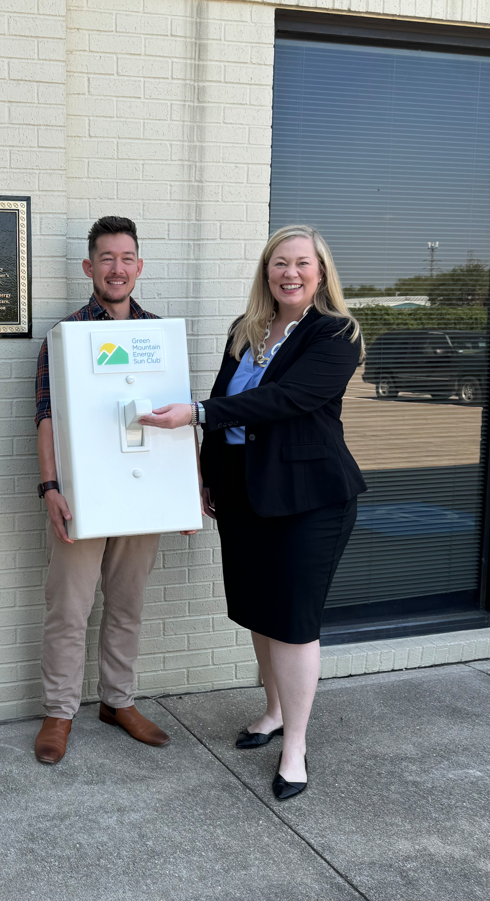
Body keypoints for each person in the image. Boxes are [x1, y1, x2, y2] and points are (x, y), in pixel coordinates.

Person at [141, 224, 365, 800]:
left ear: (321, 272)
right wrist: (207, 479)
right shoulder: (247, 331)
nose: (290, 273)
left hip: (308, 499)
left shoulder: (336, 333)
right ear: (266, 272)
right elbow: (224, 403)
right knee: (258, 613)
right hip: (243, 495)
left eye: (302, 263)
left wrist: (195, 413)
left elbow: (286, 400)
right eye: (278, 263)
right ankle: (272, 712)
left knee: (292, 622)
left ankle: (296, 747)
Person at [32, 215, 193, 765]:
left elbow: (176, 420)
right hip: (82, 498)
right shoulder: (68, 336)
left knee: (127, 606)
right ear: (89, 267)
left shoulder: (158, 338)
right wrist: (50, 487)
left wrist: (184, 495)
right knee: (69, 610)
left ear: (139, 266)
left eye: (126, 258)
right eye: (106, 258)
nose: (117, 268)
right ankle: (59, 712)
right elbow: (46, 417)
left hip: (142, 499)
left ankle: (117, 702)